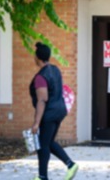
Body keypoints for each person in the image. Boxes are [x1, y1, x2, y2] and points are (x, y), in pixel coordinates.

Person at [29, 42, 78, 180]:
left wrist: (36, 122)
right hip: (59, 110)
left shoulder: (40, 77)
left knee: (42, 145)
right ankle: (70, 165)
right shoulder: (55, 69)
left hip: (49, 114)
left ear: (37, 57)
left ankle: (42, 176)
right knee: (49, 142)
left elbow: (42, 100)